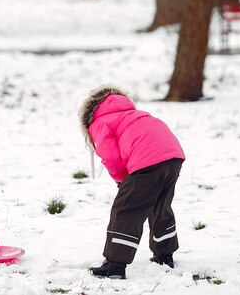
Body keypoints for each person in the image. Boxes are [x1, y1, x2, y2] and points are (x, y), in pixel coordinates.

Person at [78, 85, 186, 279]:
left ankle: (115, 266)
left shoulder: (100, 123)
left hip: (147, 161)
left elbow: (110, 156)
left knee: (125, 210)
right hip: (173, 157)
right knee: (159, 206)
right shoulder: (136, 115)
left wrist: (122, 181)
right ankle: (165, 255)